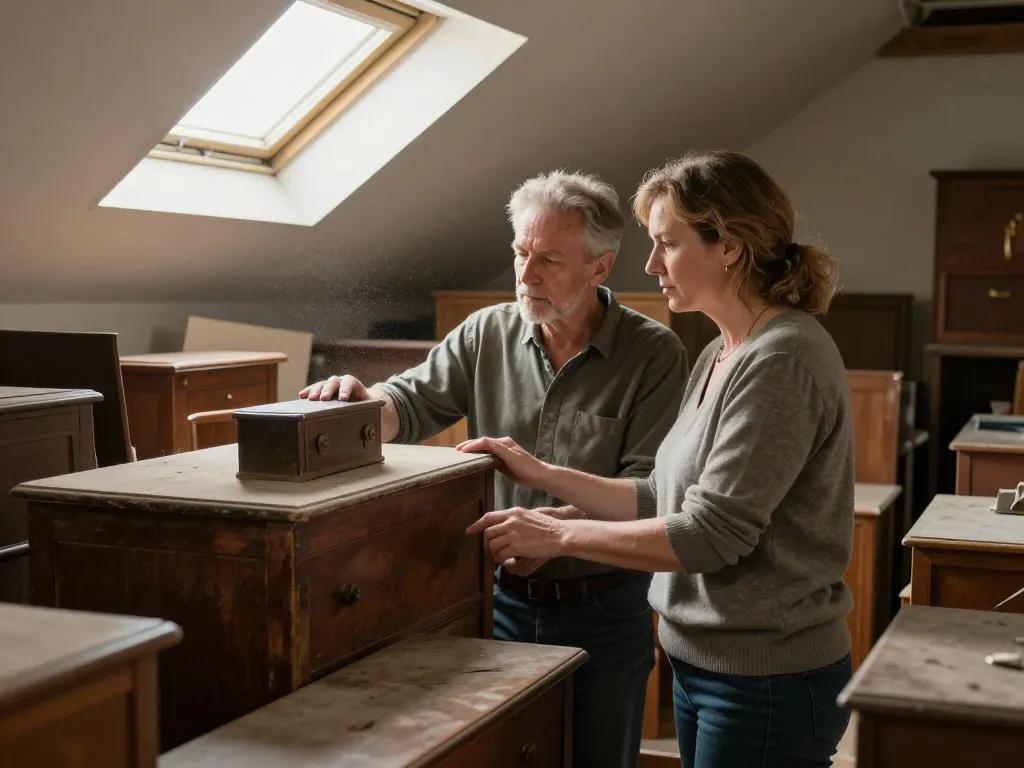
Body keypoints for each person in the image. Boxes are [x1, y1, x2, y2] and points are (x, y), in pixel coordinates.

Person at [461, 150, 855, 768]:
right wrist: (537, 471)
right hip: (703, 662)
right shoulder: (721, 353)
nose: (650, 265)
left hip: (766, 676)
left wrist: (559, 533)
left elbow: (708, 535)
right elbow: (661, 497)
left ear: (727, 245)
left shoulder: (782, 359)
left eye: (667, 244)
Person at [299, 170, 688, 768]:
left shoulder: (654, 353)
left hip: (604, 610)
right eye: (520, 253)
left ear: (599, 268)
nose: (525, 275)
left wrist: (554, 532)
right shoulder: (487, 331)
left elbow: (646, 493)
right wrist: (359, 406)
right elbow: (409, 403)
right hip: (498, 601)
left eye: (549, 260)